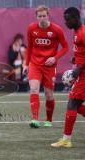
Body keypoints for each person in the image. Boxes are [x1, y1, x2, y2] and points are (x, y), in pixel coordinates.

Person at [23, 5, 69, 128]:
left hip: (49, 67)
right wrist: (26, 64)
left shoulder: (57, 30)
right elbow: (30, 47)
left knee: (49, 95)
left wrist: (55, 58)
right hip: (35, 64)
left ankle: (49, 119)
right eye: (40, 16)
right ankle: (35, 119)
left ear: (48, 16)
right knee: (34, 89)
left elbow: (65, 47)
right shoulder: (31, 28)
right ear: (36, 17)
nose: (42, 18)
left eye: (44, 16)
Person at [51, 7, 85, 148]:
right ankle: (66, 139)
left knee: (72, 103)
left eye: (68, 19)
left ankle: (66, 139)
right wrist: (75, 59)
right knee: (75, 105)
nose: (65, 22)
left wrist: (79, 68)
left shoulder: (83, 32)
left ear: (76, 18)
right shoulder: (76, 32)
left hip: (83, 75)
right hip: (81, 73)